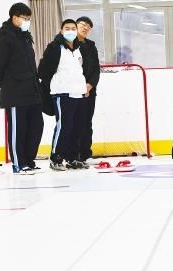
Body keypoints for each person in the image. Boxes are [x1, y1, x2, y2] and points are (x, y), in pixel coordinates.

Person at [0, 2, 44, 175]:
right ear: (14, 18)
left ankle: (29, 160)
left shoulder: (26, 37)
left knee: (37, 126)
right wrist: (7, 86)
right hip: (15, 94)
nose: (27, 21)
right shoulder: (5, 37)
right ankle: (18, 164)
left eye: (29, 18)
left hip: (32, 92)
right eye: (24, 18)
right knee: (18, 129)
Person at [38, 19, 89, 171]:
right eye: (67, 28)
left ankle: (72, 158)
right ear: (61, 30)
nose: (71, 31)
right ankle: (56, 158)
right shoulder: (54, 47)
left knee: (77, 127)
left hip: (78, 93)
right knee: (64, 126)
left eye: (73, 28)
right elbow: (43, 71)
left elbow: (80, 70)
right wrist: (55, 85)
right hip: (62, 93)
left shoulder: (79, 48)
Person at [76, 16, 100, 165]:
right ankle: (74, 154)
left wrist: (90, 85)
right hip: (73, 90)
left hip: (89, 91)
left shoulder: (91, 45)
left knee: (87, 122)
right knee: (74, 123)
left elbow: (96, 69)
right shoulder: (68, 44)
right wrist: (79, 86)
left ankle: (85, 153)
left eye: (88, 27)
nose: (85, 28)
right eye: (83, 24)